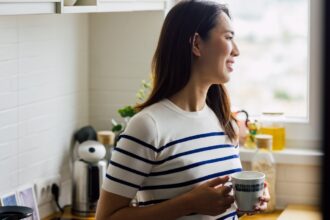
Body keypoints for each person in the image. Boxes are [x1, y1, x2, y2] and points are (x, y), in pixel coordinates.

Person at [96, 1, 270, 219]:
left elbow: (216, 209)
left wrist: (249, 199)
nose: (237, 50)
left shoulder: (224, 122)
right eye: (228, 37)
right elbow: (106, 217)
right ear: (197, 44)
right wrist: (187, 204)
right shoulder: (149, 126)